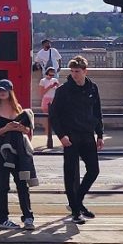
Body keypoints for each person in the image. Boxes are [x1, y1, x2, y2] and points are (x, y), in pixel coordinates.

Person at [48, 56, 103, 224]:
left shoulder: (92, 87)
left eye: (77, 72)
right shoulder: (63, 90)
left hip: (87, 134)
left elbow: (97, 112)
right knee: (71, 174)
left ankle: (77, 203)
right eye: (71, 72)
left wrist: (100, 134)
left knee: (93, 170)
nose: (74, 75)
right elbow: (54, 115)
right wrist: (61, 135)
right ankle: (76, 210)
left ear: (85, 71)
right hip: (70, 135)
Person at [0, 79, 36, 230]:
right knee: (2, 184)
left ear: (10, 91)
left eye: (5, 90)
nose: (2, 92)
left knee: (22, 184)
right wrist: (6, 128)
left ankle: (28, 217)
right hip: (2, 152)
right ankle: (1, 218)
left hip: (19, 151)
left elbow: (28, 132)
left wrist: (21, 128)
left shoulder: (18, 108)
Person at [38, 66, 60, 149]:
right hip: (46, 100)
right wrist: (50, 87)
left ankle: (55, 136)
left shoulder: (55, 80)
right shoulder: (43, 81)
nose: (51, 77)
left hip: (54, 100)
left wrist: (57, 86)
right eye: (50, 75)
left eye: (52, 75)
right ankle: (48, 137)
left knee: (55, 119)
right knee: (47, 120)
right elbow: (41, 92)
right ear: (46, 74)